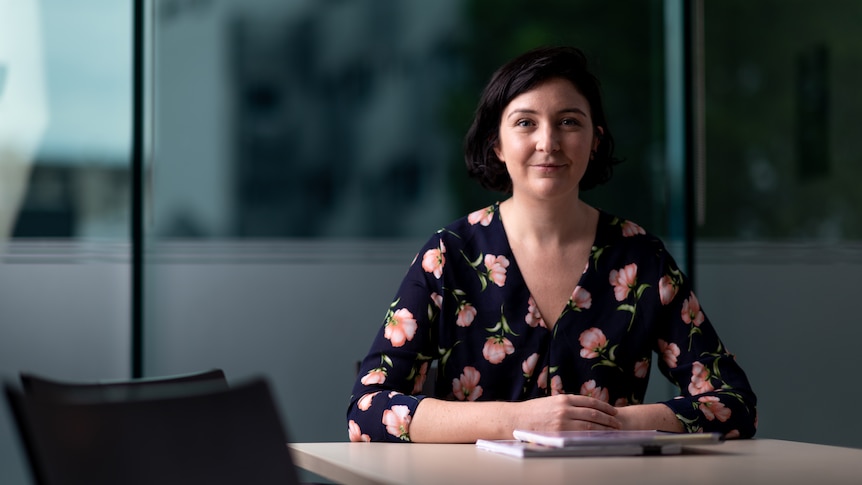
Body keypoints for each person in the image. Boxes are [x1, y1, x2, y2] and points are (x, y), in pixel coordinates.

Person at [347, 45, 757, 443]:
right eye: (526, 123)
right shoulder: (448, 255)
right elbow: (367, 410)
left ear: (595, 140)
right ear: (497, 143)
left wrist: (607, 423)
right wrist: (516, 420)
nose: (549, 142)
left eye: (569, 122)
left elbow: (734, 403)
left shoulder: (641, 257)